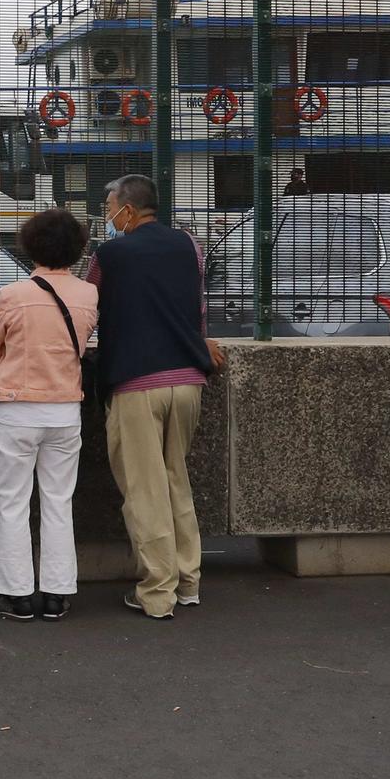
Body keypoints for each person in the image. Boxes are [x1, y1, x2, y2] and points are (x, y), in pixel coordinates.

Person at [87, 174, 225, 620]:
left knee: (144, 491)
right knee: (174, 481)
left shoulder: (109, 254)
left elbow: (86, 307)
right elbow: (197, 309)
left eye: (110, 208)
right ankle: (189, 581)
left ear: (128, 209)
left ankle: (156, 592)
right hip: (187, 379)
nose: (108, 217)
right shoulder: (189, 245)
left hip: (136, 384)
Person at [0, 208, 97, 622]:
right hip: (65, 409)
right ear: (77, 248)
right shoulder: (88, 294)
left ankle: (16, 594)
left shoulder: (14, 294)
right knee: (58, 501)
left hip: (16, 409)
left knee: (13, 502)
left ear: (30, 246)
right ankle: (57, 592)